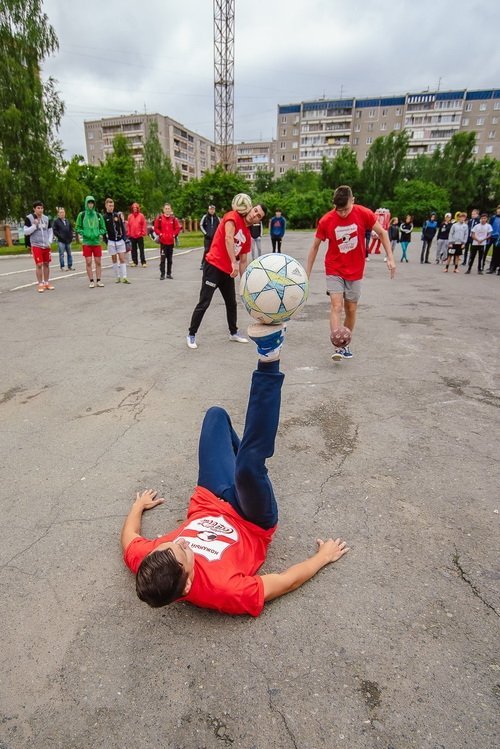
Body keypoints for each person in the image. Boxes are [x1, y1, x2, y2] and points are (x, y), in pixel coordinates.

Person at [121, 325, 349, 615]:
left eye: (169, 544)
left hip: (209, 498)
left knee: (216, 416)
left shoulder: (147, 563)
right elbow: (286, 581)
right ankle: (269, 355)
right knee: (250, 467)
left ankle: (243, 465)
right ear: (187, 584)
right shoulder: (225, 591)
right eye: (183, 550)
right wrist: (322, 558)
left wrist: (138, 507)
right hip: (251, 520)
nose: (178, 542)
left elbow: (129, 538)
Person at [306, 185, 396, 361]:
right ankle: (337, 346)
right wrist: (306, 273)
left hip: (355, 270)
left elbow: (383, 233)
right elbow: (315, 246)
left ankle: (345, 342)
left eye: (346, 209)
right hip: (334, 269)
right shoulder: (326, 220)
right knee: (336, 306)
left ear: (353, 201)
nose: (342, 214)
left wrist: (390, 257)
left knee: (351, 309)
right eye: (338, 210)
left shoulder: (364, 213)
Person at [187, 201, 266, 349]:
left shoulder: (247, 237)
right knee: (204, 302)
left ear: (258, 221)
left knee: (231, 303)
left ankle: (233, 332)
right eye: (255, 210)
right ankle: (191, 334)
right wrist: (232, 263)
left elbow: (243, 261)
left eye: (259, 216)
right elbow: (228, 238)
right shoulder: (232, 216)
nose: (255, 214)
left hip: (227, 272)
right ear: (250, 208)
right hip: (214, 267)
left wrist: (244, 283)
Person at [75, 195, 106, 288]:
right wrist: (84, 233)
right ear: (86, 203)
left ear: (94, 204)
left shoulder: (98, 215)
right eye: (89, 202)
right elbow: (77, 227)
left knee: (98, 262)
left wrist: (98, 233)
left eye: (92, 203)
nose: (91, 204)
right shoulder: (82, 215)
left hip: (96, 242)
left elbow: (103, 228)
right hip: (87, 242)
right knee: (88, 262)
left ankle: (99, 280)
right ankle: (91, 281)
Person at [24, 201, 54, 293]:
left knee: (46, 264)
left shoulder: (46, 218)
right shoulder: (29, 218)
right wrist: (34, 225)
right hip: (36, 245)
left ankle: (46, 282)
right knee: (39, 264)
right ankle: (40, 284)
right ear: (34, 209)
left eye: (41, 208)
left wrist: (49, 241)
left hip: (46, 245)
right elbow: (26, 232)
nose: (40, 210)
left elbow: (50, 230)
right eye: (38, 208)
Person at [103, 198, 131, 284]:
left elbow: (122, 227)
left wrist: (124, 238)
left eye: (112, 205)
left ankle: (125, 277)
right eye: (109, 205)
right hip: (111, 241)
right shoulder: (104, 217)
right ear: (106, 206)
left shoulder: (117, 215)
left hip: (119, 240)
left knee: (122, 258)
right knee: (114, 259)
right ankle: (117, 276)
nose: (111, 207)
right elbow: (104, 230)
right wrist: (106, 240)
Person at [154, 203, 181, 280]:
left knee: (170, 259)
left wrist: (173, 234)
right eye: (166, 209)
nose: (167, 210)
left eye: (168, 209)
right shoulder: (159, 218)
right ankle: (162, 274)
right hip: (163, 242)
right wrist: (160, 234)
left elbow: (177, 228)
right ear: (163, 210)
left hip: (171, 242)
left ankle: (169, 274)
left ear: (171, 210)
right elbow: (156, 228)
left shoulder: (173, 219)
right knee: (163, 259)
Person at [199, 205, 220, 269]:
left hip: (215, 238)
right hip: (207, 238)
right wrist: (205, 234)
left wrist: (217, 235)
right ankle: (203, 264)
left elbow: (220, 227)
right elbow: (201, 225)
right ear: (208, 210)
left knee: (214, 251)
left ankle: (213, 264)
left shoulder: (217, 218)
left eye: (213, 209)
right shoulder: (205, 217)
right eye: (211, 209)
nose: (212, 211)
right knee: (207, 250)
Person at [127, 202, 147, 267]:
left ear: (138, 208)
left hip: (139, 235)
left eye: (136, 208)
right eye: (133, 208)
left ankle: (143, 262)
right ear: (132, 209)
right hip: (132, 235)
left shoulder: (141, 216)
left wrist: (143, 232)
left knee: (141, 249)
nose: (135, 209)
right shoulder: (130, 216)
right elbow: (128, 226)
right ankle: (134, 261)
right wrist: (129, 233)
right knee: (133, 250)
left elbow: (144, 224)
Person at [486, 205, 500, 274]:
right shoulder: (493, 218)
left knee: (498, 253)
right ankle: (492, 268)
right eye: (498, 209)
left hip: (499, 238)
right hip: (493, 237)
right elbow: (489, 227)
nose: (499, 210)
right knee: (494, 254)